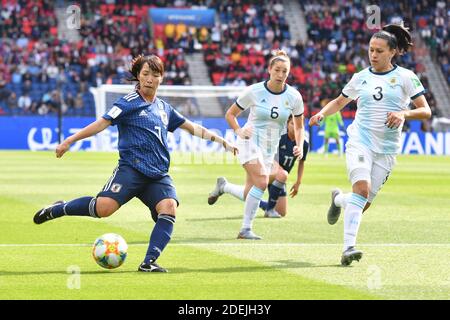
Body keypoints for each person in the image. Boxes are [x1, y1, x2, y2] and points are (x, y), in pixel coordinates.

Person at [33, 54, 237, 273]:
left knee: (169, 208)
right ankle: (59, 209)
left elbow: (192, 127)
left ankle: (149, 262)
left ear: (161, 77)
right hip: (131, 169)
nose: (149, 78)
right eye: (145, 74)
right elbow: (102, 123)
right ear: (138, 77)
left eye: (155, 74)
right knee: (103, 209)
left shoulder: (164, 108)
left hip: (157, 174)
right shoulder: (128, 103)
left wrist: (221, 140)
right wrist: (69, 140)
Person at [309, 23, 432, 266]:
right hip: (360, 141)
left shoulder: (406, 78)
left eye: (379, 51)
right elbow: (339, 101)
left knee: (360, 202)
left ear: (393, 52)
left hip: (386, 150)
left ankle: (338, 200)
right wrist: (322, 113)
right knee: (362, 190)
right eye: (371, 50)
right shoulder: (360, 78)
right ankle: (348, 249)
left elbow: (425, 111)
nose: (373, 55)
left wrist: (403, 114)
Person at [222, 50, 305, 240]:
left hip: (269, 149)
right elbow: (230, 114)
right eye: (277, 70)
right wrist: (239, 131)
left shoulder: (294, 97)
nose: (281, 75)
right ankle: (245, 229)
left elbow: (299, 127)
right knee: (261, 181)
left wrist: (299, 145)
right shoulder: (254, 91)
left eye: (285, 71)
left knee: (249, 192)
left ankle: (224, 187)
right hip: (248, 142)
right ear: (269, 70)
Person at [208, 115, 309, 218]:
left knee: (281, 212)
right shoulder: (280, 137)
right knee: (281, 175)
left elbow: (301, 162)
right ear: (287, 124)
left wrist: (298, 182)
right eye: (292, 124)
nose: (295, 127)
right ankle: (269, 210)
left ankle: (224, 186)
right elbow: (266, 152)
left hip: (280, 179)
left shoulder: (303, 144)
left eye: (299, 125)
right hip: (269, 168)